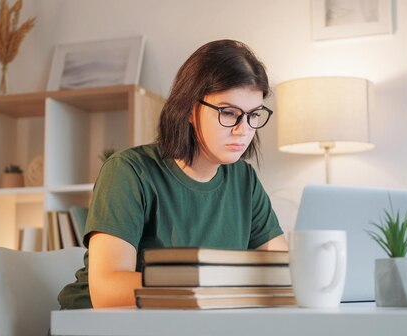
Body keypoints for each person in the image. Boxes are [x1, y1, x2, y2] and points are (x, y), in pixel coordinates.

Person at [57, 39, 288, 309]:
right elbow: (107, 291)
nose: (243, 129)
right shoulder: (129, 172)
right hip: (98, 325)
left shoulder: (244, 181)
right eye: (228, 113)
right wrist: (203, 284)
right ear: (190, 109)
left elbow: (282, 273)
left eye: (253, 115)